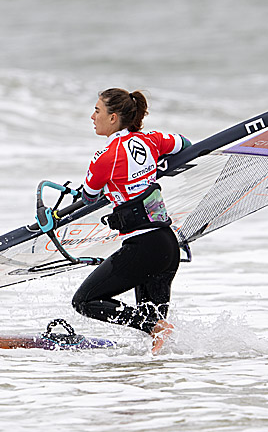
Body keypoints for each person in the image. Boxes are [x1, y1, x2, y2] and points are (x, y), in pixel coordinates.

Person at [70, 88, 190, 354]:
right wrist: (155, 167)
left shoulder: (104, 158)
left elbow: (89, 197)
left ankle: (155, 328)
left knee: (85, 301)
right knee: (158, 346)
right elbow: (184, 144)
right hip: (167, 246)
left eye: (97, 111)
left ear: (113, 117)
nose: (92, 116)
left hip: (143, 247)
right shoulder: (152, 139)